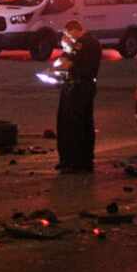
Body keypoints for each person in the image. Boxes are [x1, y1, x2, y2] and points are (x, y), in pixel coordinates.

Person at [55, 20, 101, 173]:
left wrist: (67, 46)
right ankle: (85, 160)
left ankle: (72, 161)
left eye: (68, 34)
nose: (67, 37)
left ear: (75, 30)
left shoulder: (81, 43)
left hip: (78, 87)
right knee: (86, 123)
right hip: (88, 86)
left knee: (72, 124)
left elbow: (65, 63)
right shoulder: (94, 42)